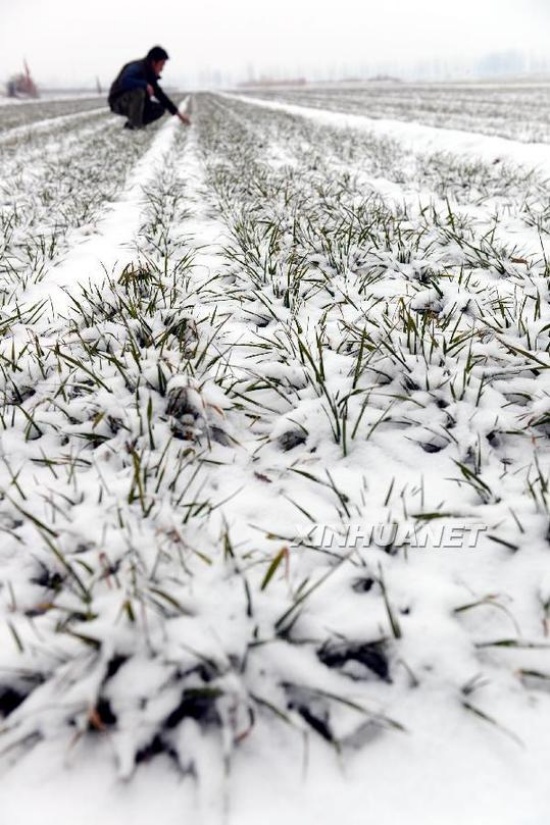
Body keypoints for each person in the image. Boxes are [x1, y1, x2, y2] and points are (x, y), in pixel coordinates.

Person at [108, 45, 190, 130]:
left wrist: (180, 116)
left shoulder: (150, 76)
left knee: (159, 109)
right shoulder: (136, 67)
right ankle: (136, 125)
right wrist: (145, 84)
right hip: (117, 101)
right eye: (161, 64)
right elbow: (125, 81)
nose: (162, 69)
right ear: (153, 62)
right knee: (138, 91)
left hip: (131, 101)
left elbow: (162, 97)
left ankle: (130, 126)